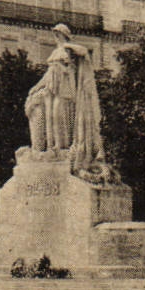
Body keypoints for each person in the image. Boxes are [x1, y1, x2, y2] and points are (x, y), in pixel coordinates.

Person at [24, 24, 105, 176]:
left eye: (58, 34)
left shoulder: (70, 50)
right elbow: (48, 74)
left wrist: (67, 46)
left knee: (59, 116)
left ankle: (63, 148)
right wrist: (36, 87)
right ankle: (52, 148)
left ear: (64, 35)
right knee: (51, 117)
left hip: (65, 90)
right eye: (55, 34)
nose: (56, 37)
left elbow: (84, 53)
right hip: (52, 89)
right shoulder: (55, 52)